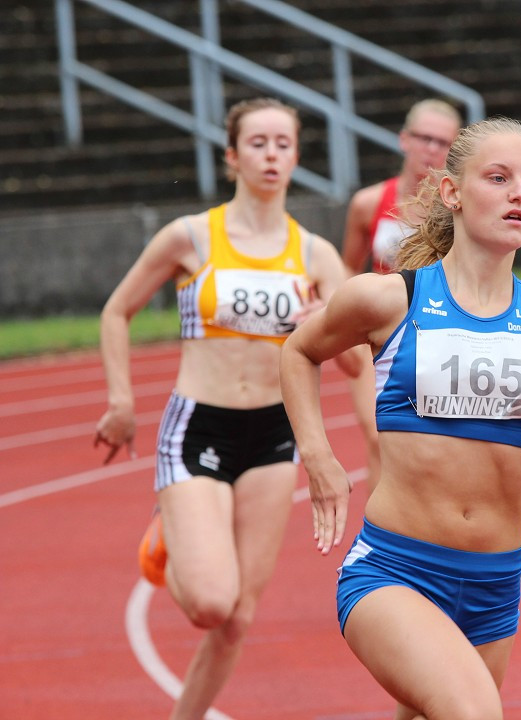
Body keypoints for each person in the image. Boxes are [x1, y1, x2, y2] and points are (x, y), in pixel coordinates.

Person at [279, 117, 521, 719]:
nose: (519, 194)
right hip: (396, 571)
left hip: (494, 584)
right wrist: (318, 457)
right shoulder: (390, 299)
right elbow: (298, 351)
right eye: (498, 178)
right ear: (452, 193)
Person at [93, 97, 358, 720]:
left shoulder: (315, 256)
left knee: (237, 619)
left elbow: (355, 360)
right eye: (259, 143)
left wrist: (329, 319)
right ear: (233, 156)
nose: (272, 155)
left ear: (296, 157)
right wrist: (121, 401)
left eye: (283, 144)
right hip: (198, 426)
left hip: (273, 433)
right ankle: (170, 533)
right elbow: (116, 311)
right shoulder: (190, 237)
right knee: (210, 602)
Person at [340, 99, 463, 493]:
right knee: (381, 436)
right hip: (376, 338)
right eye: (424, 138)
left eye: (443, 142)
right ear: (404, 140)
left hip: (439, 334)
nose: (432, 149)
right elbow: (346, 267)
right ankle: (380, 533)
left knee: (441, 444)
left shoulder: (459, 209)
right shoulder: (369, 204)